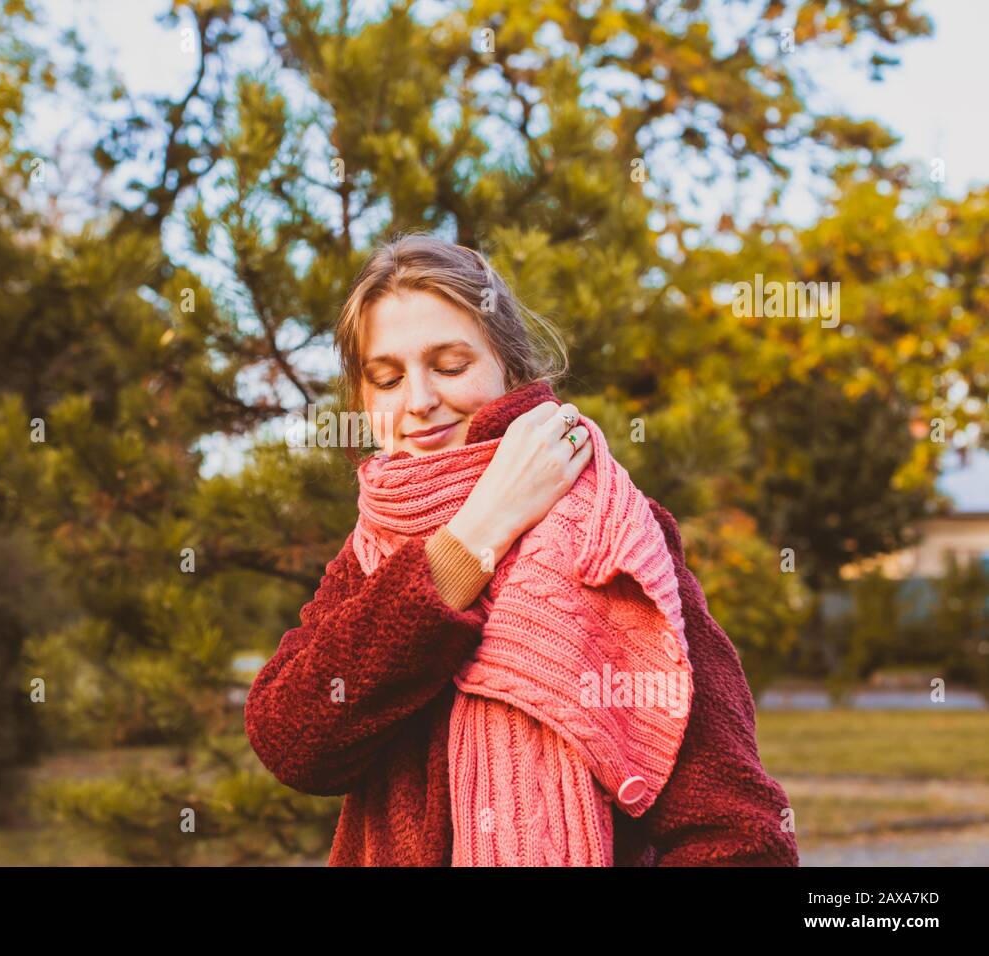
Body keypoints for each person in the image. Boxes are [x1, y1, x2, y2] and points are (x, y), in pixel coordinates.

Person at [244, 233, 798, 866]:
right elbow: (293, 741)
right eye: (388, 378)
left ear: (508, 365)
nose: (419, 401)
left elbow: (735, 832)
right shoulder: (373, 548)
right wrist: (478, 532)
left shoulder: (607, 529)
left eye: (450, 366)